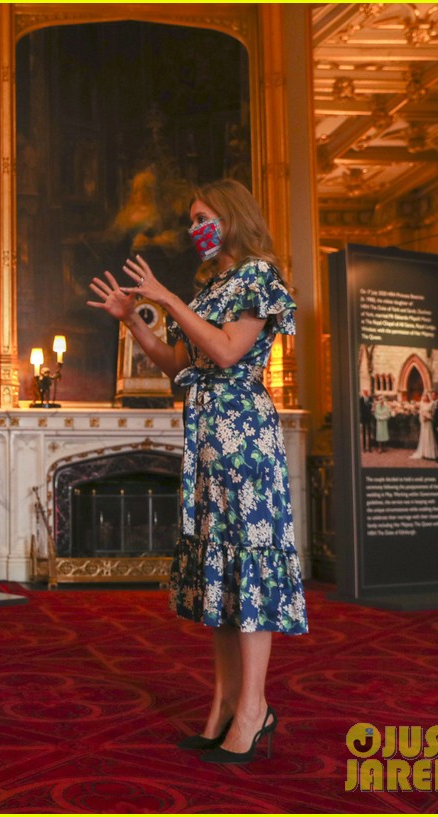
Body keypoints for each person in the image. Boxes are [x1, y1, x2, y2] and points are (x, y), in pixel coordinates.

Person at [87, 178, 307, 764]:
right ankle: (224, 704)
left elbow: (229, 352)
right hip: (208, 442)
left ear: (231, 217)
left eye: (202, 216)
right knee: (222, 574)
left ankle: (254, 710)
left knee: (248, 570)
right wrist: (134, 319)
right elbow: (178, 362)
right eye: (190, 219)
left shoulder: (258, 276)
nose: (193, 229)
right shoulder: (211, 286)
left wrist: (169, 299)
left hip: (245, 442)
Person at [411, 392, 438, 461]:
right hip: (424, 423)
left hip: (429, 422)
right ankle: (424, 453)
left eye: (426, 396)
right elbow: (420, 413)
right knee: (424, 436)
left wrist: (429, 418)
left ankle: (431, 454)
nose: (425, 398)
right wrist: (423, 418)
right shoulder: (421, 404)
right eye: (424, 396)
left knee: (430, 436)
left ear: (428, 397)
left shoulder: (431, 404)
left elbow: (433, 414)